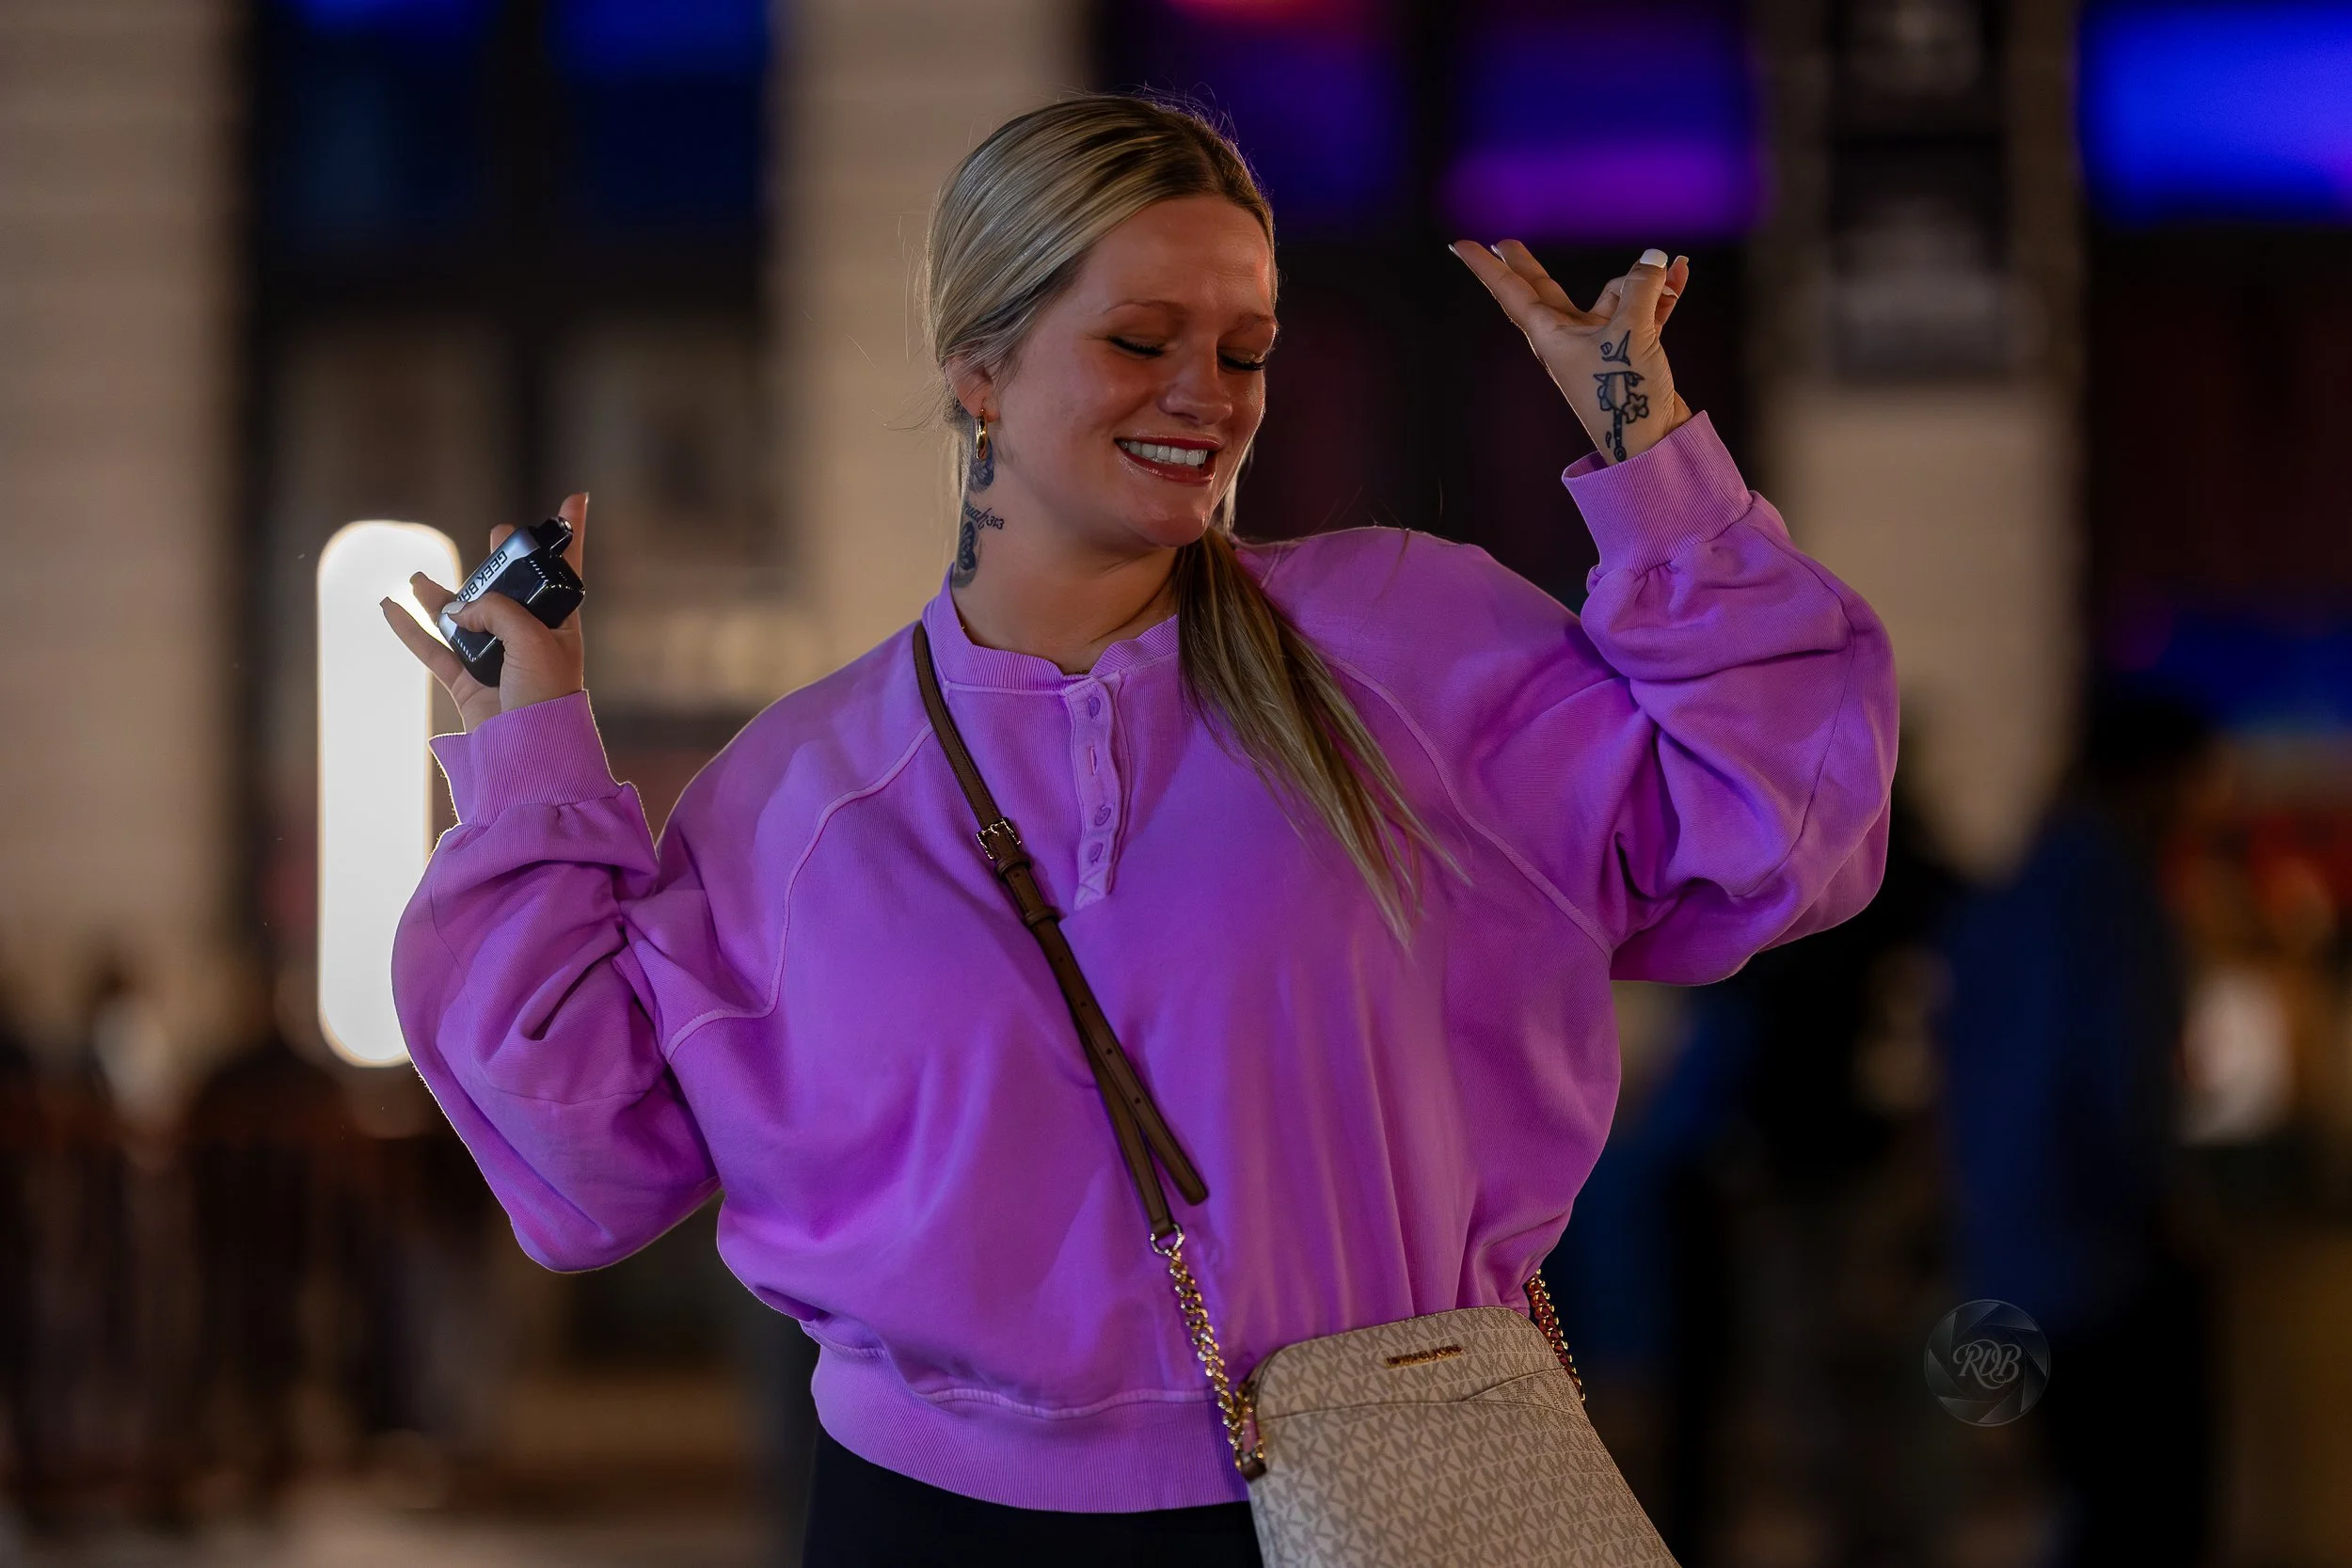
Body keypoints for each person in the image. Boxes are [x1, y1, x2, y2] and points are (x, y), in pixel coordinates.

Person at [379, 95, 1898, 1565]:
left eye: (1245, 350)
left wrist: (1644, 438)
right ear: (979, 371)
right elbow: (589, 1151)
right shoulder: (801, 792)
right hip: (931, 1521)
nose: (1210, 393)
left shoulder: (1407, 643)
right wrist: (523, 751)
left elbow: (1776, 825)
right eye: (1138, 339)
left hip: (1387, 1489)